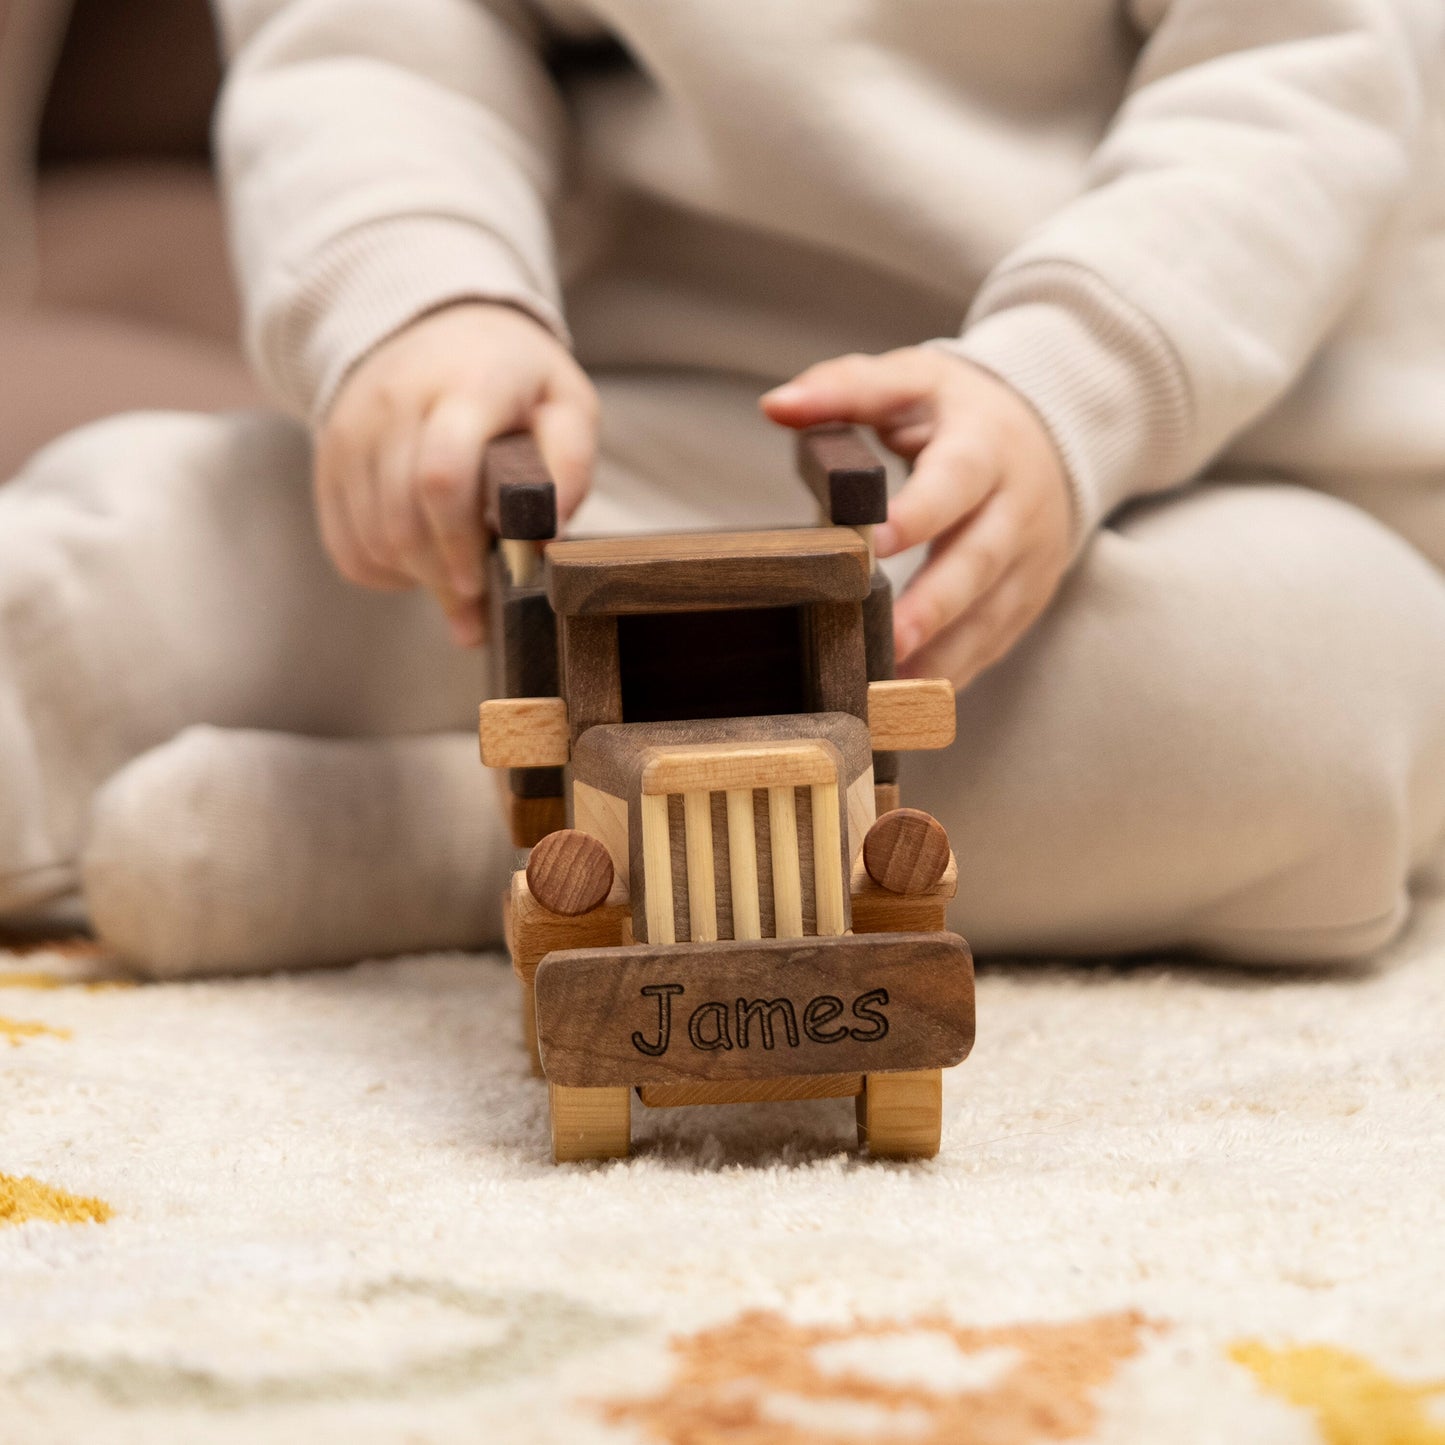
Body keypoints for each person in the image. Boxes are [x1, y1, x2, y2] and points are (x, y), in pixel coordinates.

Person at [5, 0, 1445, 974]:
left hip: (1190, 461)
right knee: (194, 534)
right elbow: (379, 40)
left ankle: (478, 851)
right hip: (645, 436)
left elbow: (1302, 70)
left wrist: (1073, 375)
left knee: (1331, 687)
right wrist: (425, 293)